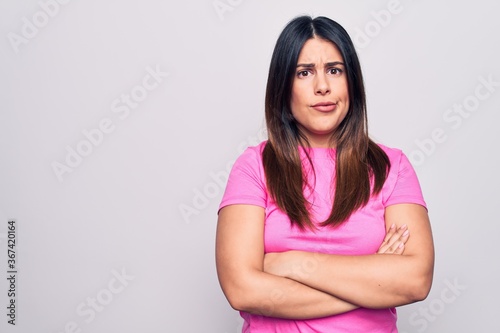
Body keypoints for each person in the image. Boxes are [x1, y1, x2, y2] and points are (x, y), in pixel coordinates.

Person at [215, 15, 434, 332]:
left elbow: (415, 281)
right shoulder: (254, 167)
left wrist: (291, 263)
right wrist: (372, 285)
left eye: (335, 70)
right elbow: (242, 289)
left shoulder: (392, 167)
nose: (322, 87)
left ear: (352, 81)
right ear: (283, 87)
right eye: (304, 73)